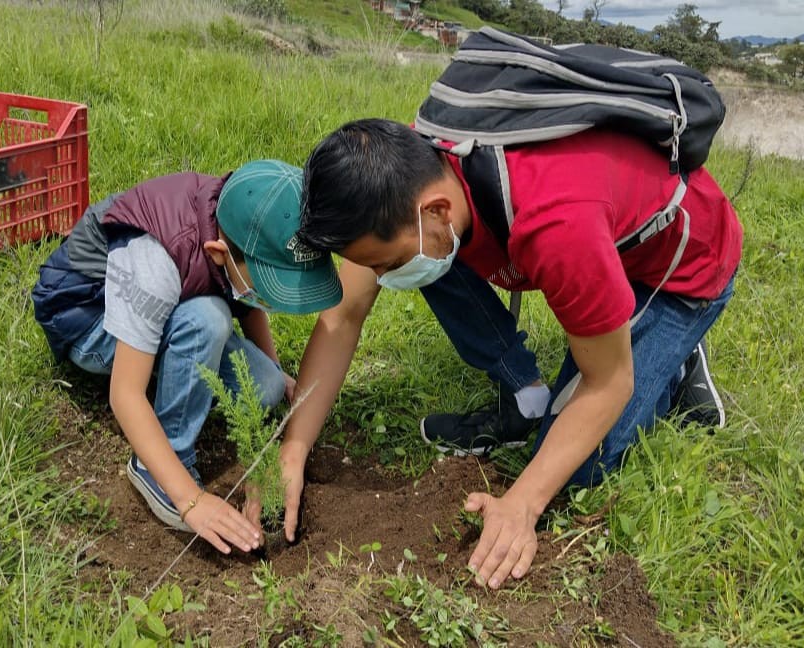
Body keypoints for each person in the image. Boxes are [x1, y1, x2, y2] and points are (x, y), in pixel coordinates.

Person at [281, 118, 741, 589]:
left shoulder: (555, 223)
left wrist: (522, 504)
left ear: (436, 207)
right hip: (595, 233)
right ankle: (527, 394)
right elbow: (342, 317)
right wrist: (294, 449)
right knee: (431, 254)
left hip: (677, 271)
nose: (381, 278)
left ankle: (675, 357)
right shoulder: (415, 165)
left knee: (580, 468)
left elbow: (610, 383)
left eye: (388, 264)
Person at [32, 159, 342, 554]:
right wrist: (189, 500)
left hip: (170, 304)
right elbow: (125, 395)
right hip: (87, 316)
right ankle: (158, 467)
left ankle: (180, 356)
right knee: (209, 319)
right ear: (218, 253)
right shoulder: (155, 261)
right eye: (269, 287)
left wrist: (279, 375)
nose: (273, 300)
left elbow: (247, 299)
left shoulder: (237, 220)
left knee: (262, 387)